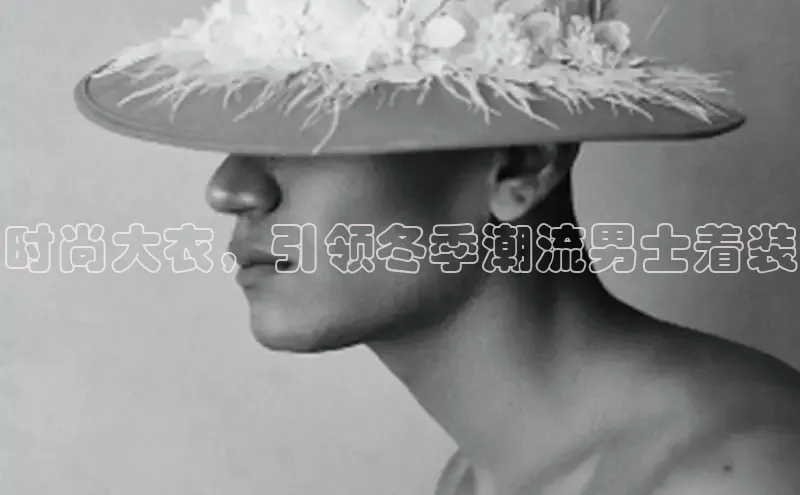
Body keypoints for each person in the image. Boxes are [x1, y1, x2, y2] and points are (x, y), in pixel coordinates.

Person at [73, 0, 800, 493]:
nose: (230, 188)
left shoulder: (735, 474)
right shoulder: (482, 474)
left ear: (520, 164)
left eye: (312, 122)